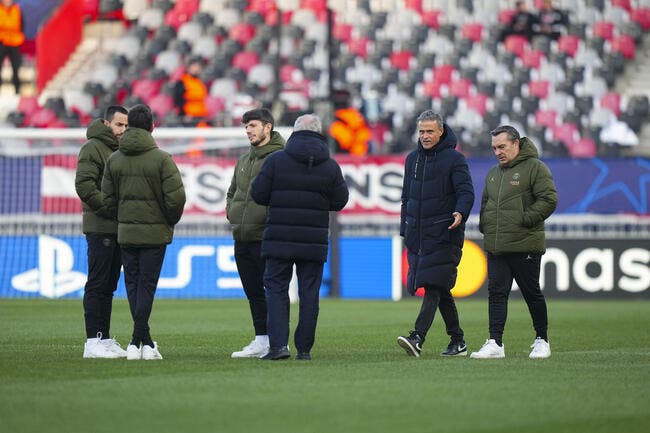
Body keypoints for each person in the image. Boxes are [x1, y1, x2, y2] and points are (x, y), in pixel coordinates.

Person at [250, 114, 349, 361]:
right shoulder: (330, 165)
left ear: (294, 132)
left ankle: (278, 347)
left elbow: (258, 194)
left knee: (276, 291)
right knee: (309, 293)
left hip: (279, 237)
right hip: (313, 240)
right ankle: (304, 349)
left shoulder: (276, 161)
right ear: (320, 133)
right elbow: (340, 201)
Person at [102, 104, 186, 361]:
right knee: (146, 287)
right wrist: (167, 221)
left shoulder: (114, 159)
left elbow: (107, 199)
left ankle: (142, 341)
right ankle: (139, 341)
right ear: (152, 126)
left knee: (133, 285)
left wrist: (123, 219)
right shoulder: (162, 159)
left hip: (126, 234)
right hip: (154, 235)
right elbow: (177, 198)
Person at [470, 125, 557, 359]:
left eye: (502, 146)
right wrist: (485, 226)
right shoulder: (493, 174)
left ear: (516, 144)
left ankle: (542, 340)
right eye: (494, 148)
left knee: (531, 293)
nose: (498, 152)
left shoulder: (535, 168)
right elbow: (486, 205)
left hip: (524, 243)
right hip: (497, 245)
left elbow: (549, 199)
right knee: (496, 294)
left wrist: (525, 219)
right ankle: (495, 343)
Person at [396, 111, 475, 358]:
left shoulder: (454, 159)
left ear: (441, 131)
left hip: (444, 232)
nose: (425, 136)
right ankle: (458, 341)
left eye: (430, 131)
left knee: (433, 284)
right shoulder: (412, 159)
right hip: (419, 235)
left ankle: (417, 337)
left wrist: (460, 212)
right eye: (421, 131)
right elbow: (406, 198)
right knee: (439, 287)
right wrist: (404, 229)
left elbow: (466, 192)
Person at [227, 108, 285, 358]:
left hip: (266, 236)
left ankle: (279, 341)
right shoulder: (244, 160)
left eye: (252, 125)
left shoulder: (282, 157)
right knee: (253, 291)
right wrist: (232, 214)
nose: (248, 131)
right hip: (242, 236)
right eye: (246, 127)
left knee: (272, 291)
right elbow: (232, 193)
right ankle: (262, 339)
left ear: (267, 127)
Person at [75, 105, 129, 359]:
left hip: (117, 226)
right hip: (101, 227)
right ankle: (91, 341)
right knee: (97, 283)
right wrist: (109, 209)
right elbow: (84, 185)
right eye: (119, 125)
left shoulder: (120, 150)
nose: (124, 130)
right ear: (107, 124)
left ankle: (103, 338)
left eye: (127, 126)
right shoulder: (93, 147)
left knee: (108, 285)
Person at [173, 56, 208, 126]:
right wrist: (183, 114)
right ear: (189, 67)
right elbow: (178, 100)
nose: (197, 69)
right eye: (195, 66)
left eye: (199, 67)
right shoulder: (182, 82)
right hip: (189, 117)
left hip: (200, 116)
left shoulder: (200, 82)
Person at [0, 0, 24, 94]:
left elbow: (22, 24)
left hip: (14, 42)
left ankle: (17, 90)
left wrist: (19, 36)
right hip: (2, 41)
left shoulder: (16, 9)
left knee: (16, 66)